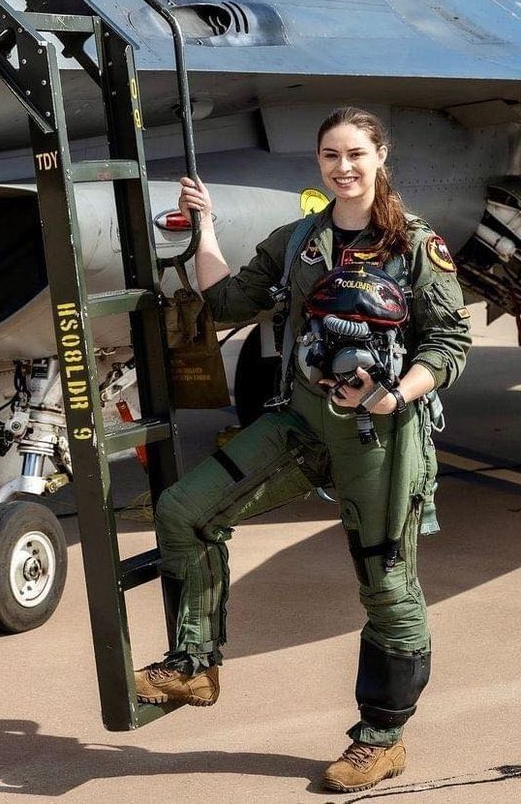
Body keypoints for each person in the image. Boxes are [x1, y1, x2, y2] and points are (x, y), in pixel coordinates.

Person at [135, 107, 472, 793]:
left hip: (384, 433)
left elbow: (450, 342)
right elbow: (226, 299)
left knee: (387, 587)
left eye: (355, 154)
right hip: (305, 421)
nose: (342, 167)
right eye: (329, 156)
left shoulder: (415, 245)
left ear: (380, 157)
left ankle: (381, 739)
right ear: (318, 162)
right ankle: (194, 664)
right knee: (184, 509)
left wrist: (395, 394)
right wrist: (202, 225)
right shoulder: (300, 244)